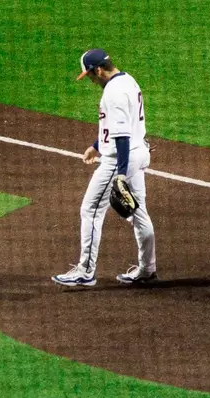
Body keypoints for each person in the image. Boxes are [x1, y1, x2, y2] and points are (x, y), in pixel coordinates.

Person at [53, 49, 157, 288]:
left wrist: (119, 173)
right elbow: (123, 125)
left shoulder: (113, 93)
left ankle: (85, 271)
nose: (91, 80)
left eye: (90, 75)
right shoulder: (129, 81)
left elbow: (121, 135)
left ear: (98, 70)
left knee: (90, 209)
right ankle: (147, 268)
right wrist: (96, 145)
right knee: (138, 211)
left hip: (121, 159)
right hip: (138, 152)